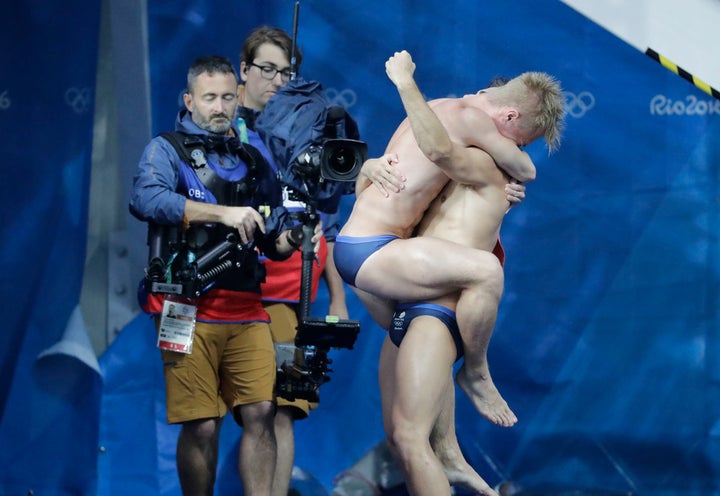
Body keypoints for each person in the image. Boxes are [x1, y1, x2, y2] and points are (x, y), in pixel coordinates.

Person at [334, 50, 564, 428]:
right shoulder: (466, 120)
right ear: (508, 117)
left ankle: (450, 452)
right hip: (377, 255)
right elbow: (524, 168)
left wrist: (368, 166)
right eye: (522, 140)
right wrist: (406, 83)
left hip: (374, 252)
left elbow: (374, 187)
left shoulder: (437, 114)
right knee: (486, 273)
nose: (518, 150)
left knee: (415, 396)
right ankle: (475, 373)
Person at [129, 55, 319, 496]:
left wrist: (296, 234)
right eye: (210, 97)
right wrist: (224, 213)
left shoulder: (254, 158)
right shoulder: (165, 149)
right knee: (202, 426)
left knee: (261, 412)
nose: (220, 107)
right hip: (182, 309)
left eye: (228, 98)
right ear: (189, 99)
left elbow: (272, 239)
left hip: (248, 310)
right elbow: (146, 199)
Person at [235, 26, 403, 496]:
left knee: (284, 410)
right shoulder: (226, 128)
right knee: (250, 412)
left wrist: (336, 297)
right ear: (244, 69)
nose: (275, 80)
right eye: (266, 69)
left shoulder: (308, 134)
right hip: (237, 295)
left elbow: (322, 224)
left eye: (286, 72)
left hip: (293, 298)